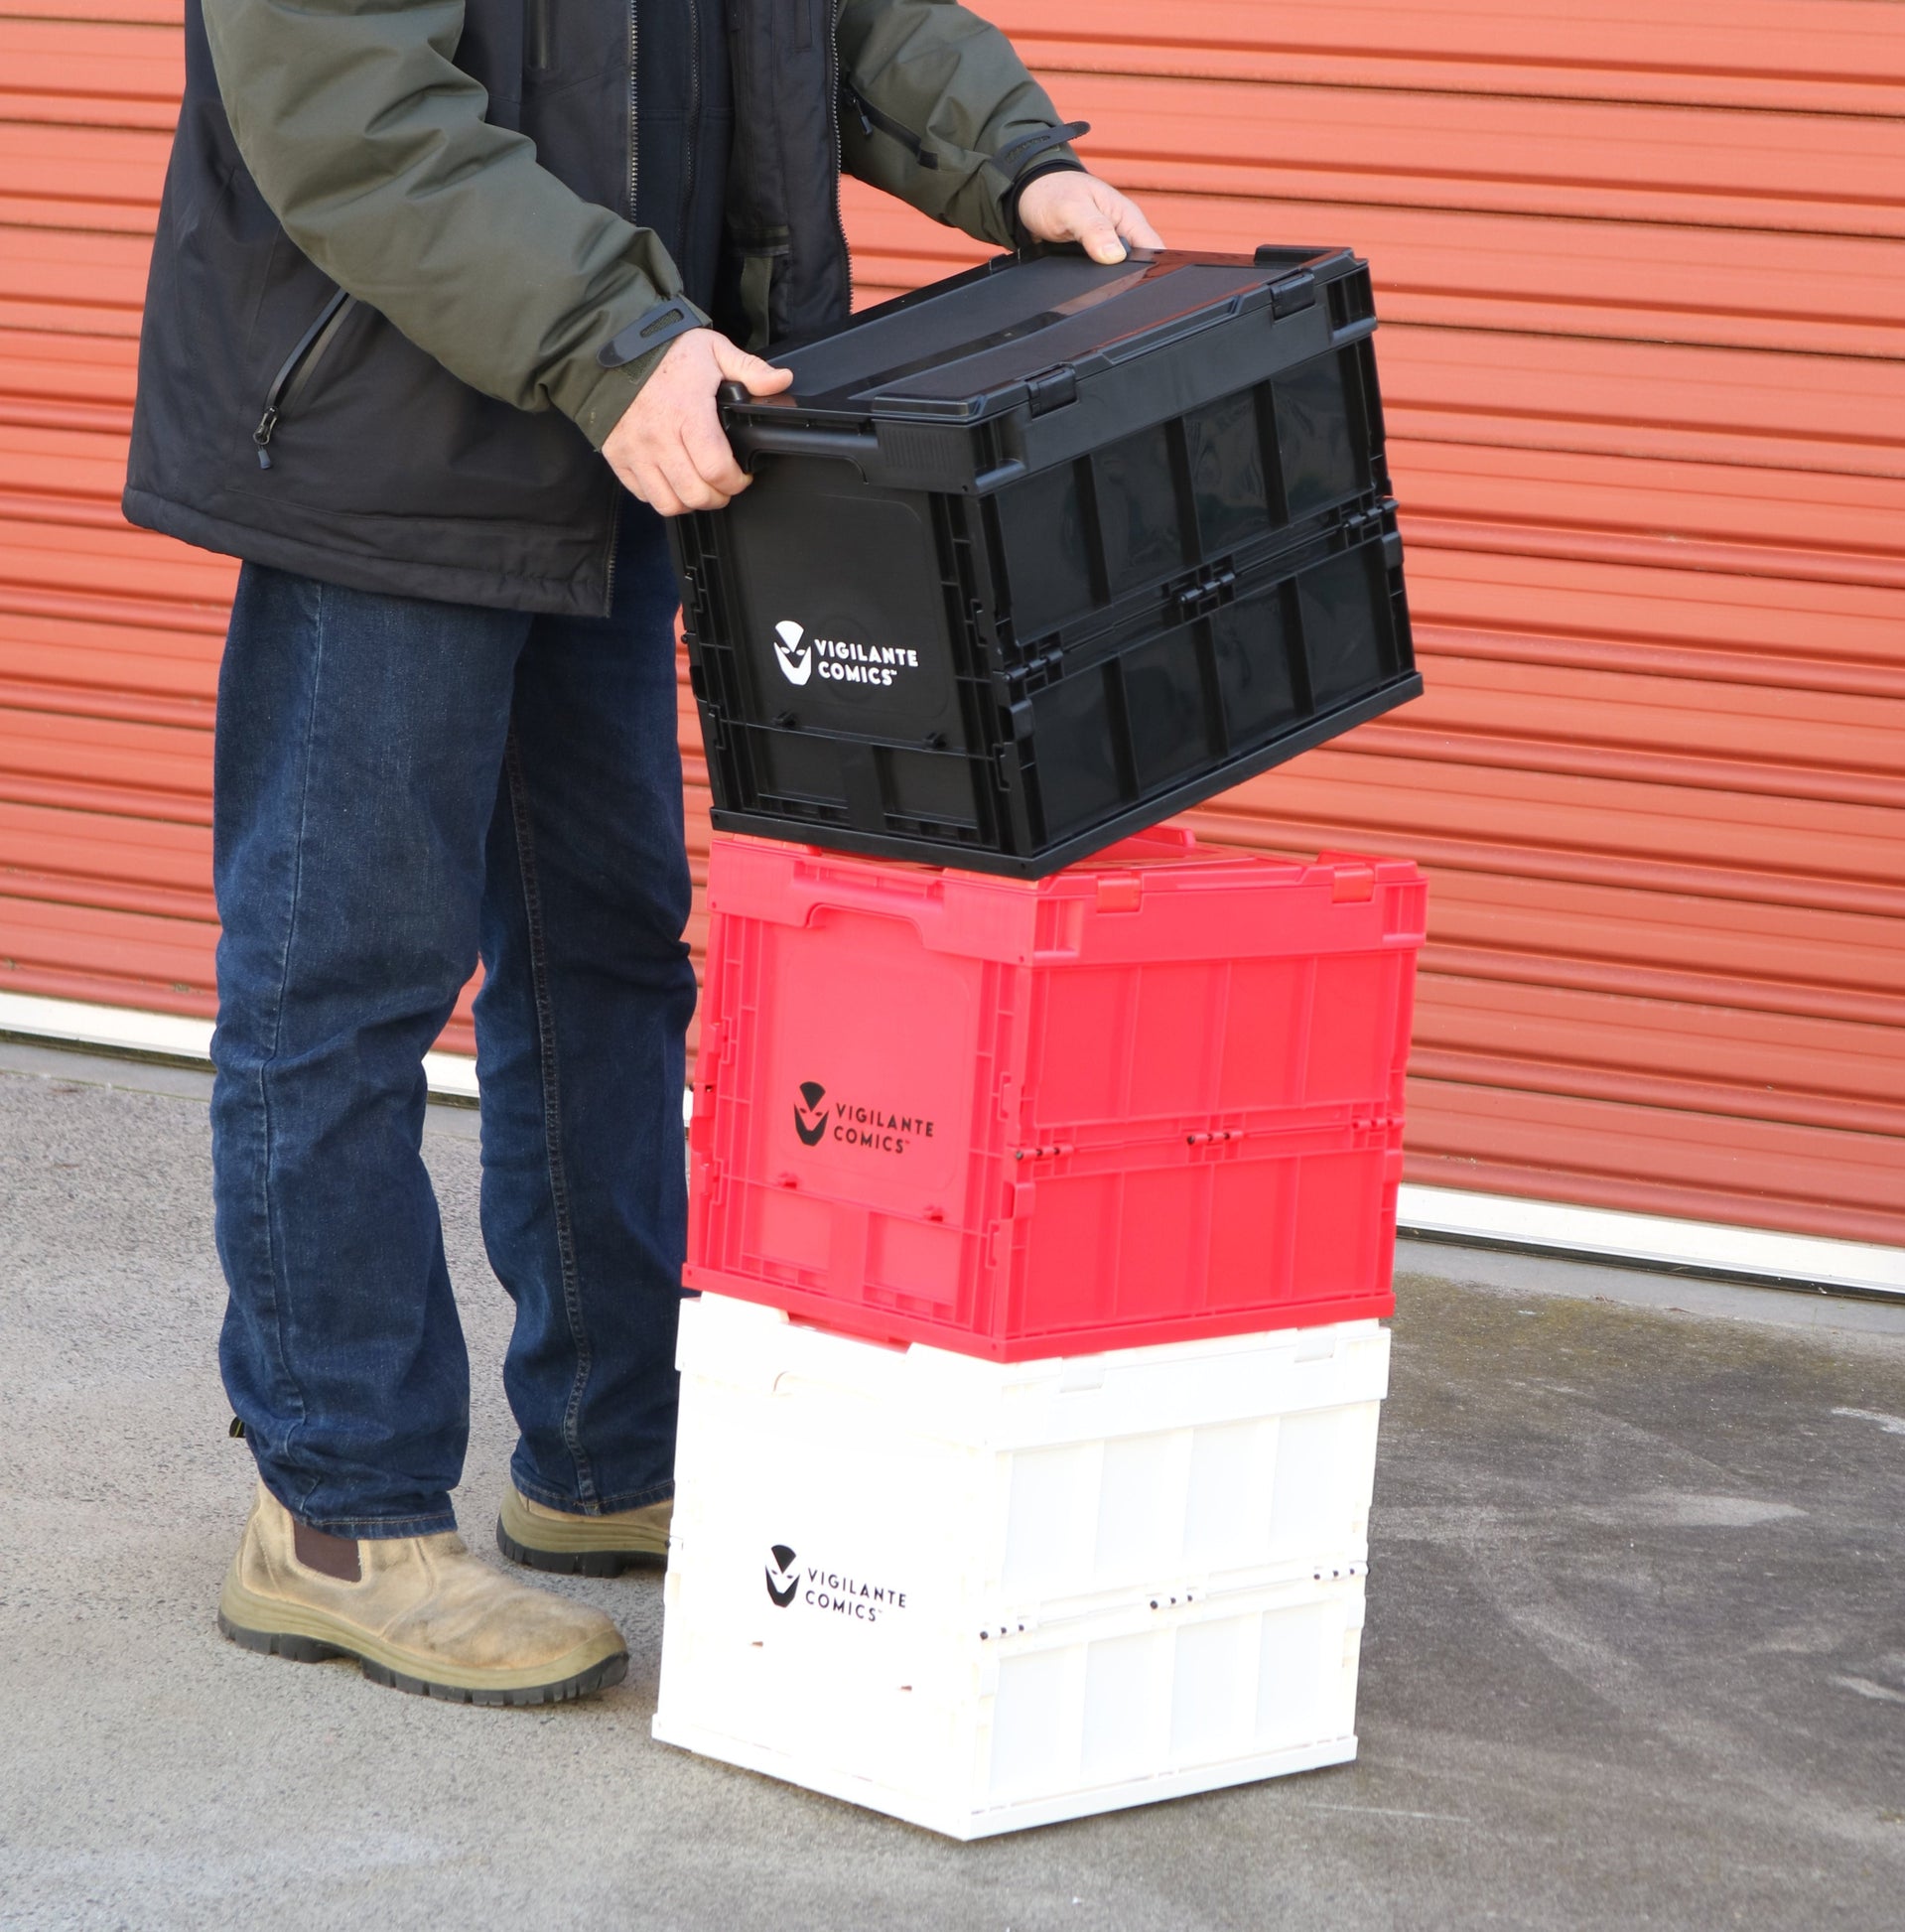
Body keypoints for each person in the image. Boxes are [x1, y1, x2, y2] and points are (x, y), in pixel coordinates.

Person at [124, 0, 1161, 1706]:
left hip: (621, 431)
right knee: (344, 977)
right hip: (397, 445)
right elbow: (351, 108)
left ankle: (607, 1454)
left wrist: (1010, 160)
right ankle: (336, 1512)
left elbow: (830, 19)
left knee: (604, 952)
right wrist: (618, 333)